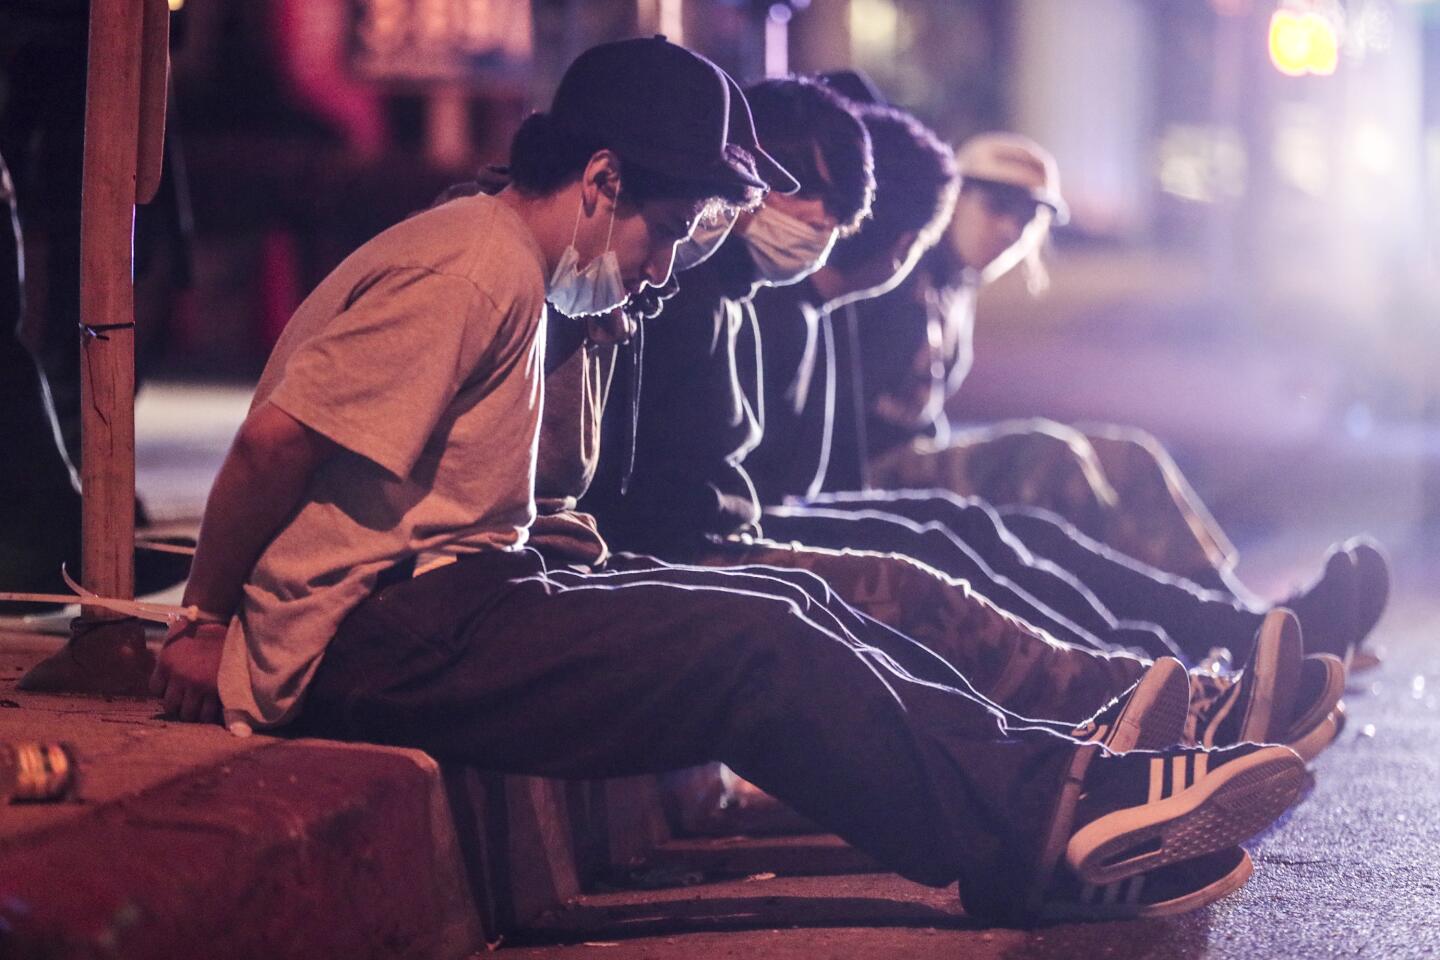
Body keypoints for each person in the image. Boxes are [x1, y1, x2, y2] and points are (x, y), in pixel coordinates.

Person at [152, 38, 1306, 924]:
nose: (668, 265)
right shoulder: (468, 269)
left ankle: (1062, 779)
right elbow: (271, 445)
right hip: (381, 628)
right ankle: (1045, 836)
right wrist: (205, 620)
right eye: (673, 227)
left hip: (462, 599)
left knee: (779, 607)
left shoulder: (540, 281)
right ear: (601, 179)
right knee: (753, 652)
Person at [807, 131, 1388, 666]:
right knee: (1048, 458)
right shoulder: (895, 264)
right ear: (952, 199)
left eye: (1029, 218)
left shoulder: (958, 284)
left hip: (917, 456)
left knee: (1127, 453)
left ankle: (1246, 620)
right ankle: (1194, 642)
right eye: (998, 207)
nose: (1011, 230)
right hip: (863, 477)